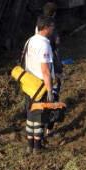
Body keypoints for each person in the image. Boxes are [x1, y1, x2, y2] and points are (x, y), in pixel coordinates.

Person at [22, 16, 56, 152]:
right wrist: (49, 90)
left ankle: (30, 144)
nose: (53, 29)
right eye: (52, 27)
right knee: (40, 116)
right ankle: (37, 146)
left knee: (31, 114)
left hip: (29, 83)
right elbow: (45, 70)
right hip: (40, 85)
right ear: (46, 27)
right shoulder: (44, 44)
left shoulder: (30, 40)